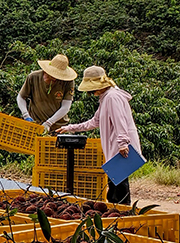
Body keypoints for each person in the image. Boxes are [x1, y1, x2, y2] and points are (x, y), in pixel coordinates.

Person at [58, 66, 141, 205]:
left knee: (119, 186)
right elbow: (94, 122)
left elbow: (120, 121)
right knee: (115, 183)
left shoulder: (112, 97)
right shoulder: (106, 97)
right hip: (117, 144)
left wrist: (122, 143)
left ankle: (121, 214)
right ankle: (118, 211)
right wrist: (70, 128)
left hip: (120, 145)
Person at [16, 53, 77, 133]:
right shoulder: (34, 77)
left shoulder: (68, 82)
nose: (54, 78)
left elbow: (66, 106)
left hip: (58, 127)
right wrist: (26, 115)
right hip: (36, 124)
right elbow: (21, 97)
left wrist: (49, 123)